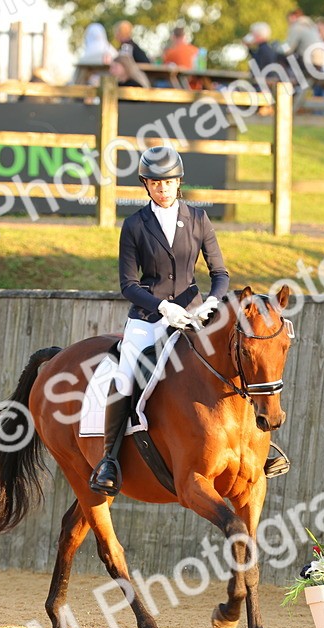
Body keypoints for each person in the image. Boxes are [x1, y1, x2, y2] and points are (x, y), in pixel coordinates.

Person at [89, 146, 229, 497]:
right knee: (125, 374)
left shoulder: (198, 219)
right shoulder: (135, 225)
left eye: (168, 182)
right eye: (155, 183)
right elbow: (128, 284)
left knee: (231, 363)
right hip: (149, 319)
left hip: (194, 315)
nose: (162, 188)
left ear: (179, 182)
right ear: (146, 185)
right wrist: (163, 307)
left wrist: (211, 302)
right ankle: (109, 460)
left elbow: (220, 273)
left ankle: (256, 447)